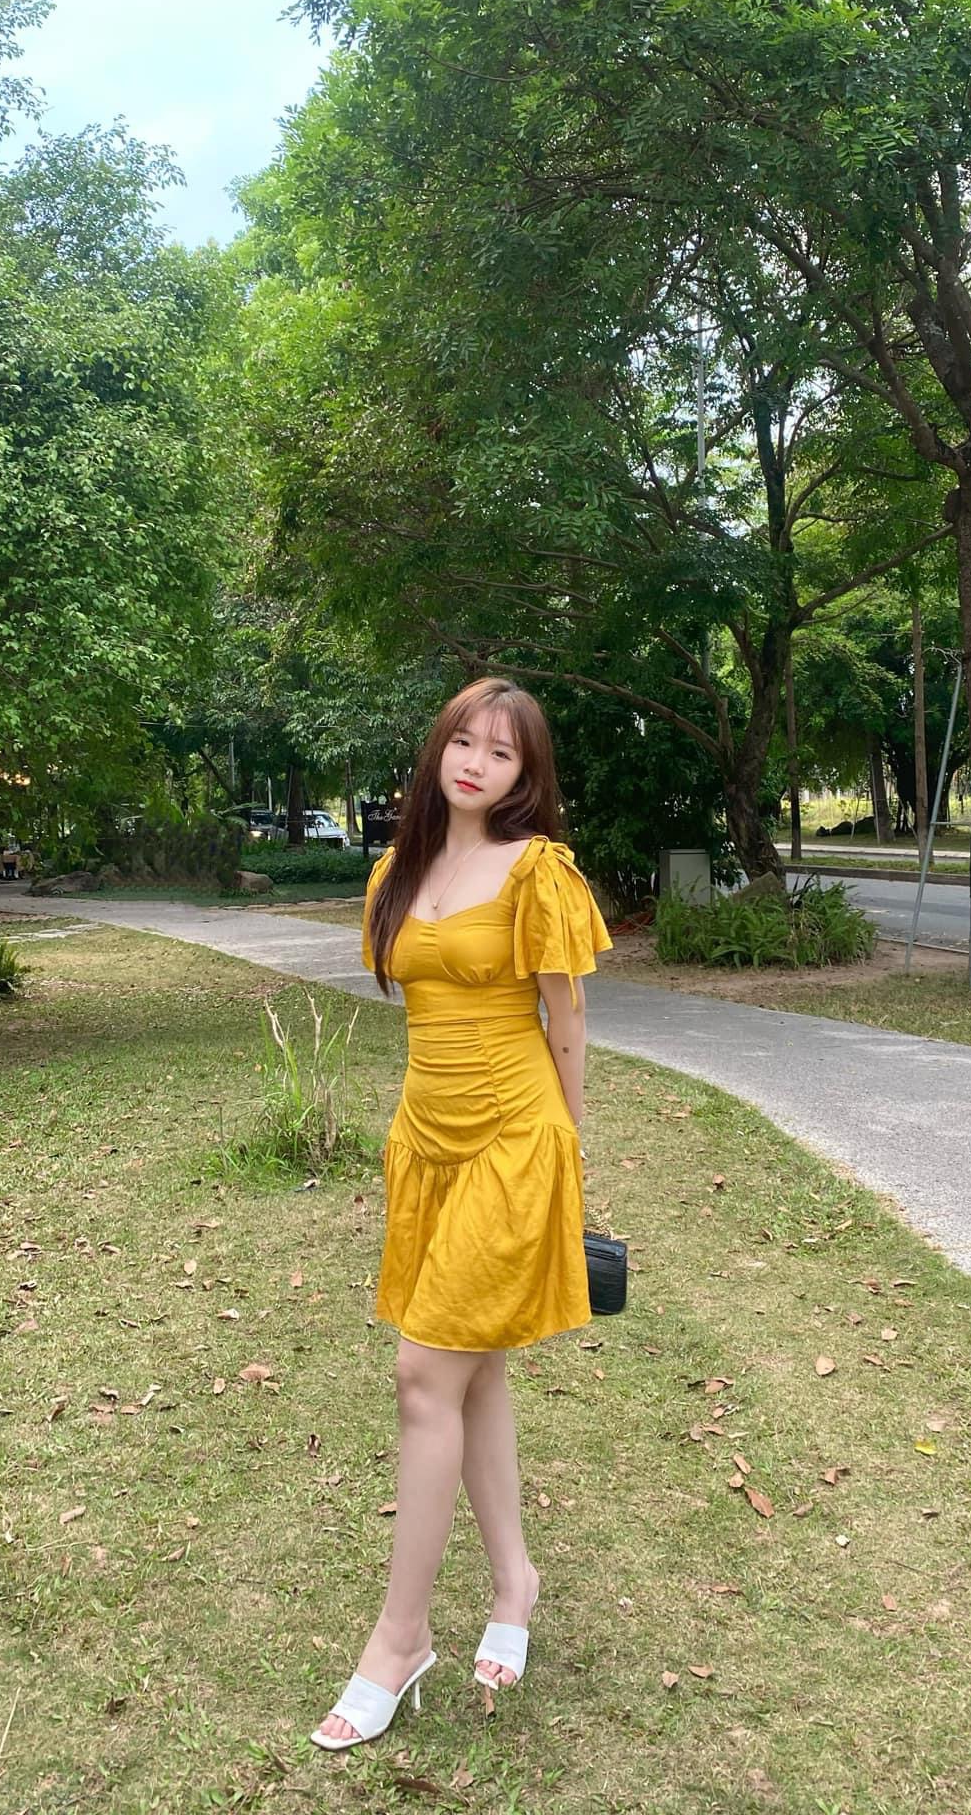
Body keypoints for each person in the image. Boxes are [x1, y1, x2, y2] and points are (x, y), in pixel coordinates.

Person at [310, 676, 612, 1753]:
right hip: (427, 1140)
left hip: (514, 1139)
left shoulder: (537, 871)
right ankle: (515, 1580)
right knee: (473, 1372)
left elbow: (566, 1020)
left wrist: (566, 1154)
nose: (477, 764)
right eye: (464, 742)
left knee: (422, 1374)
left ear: (527, 775)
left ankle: (398, 1639)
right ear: (439, 748)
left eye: (503, 752)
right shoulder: (398, 868)